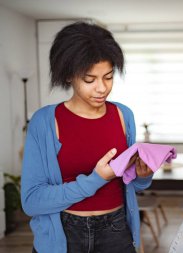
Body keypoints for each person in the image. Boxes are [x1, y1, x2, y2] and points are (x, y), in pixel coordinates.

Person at [21, 21, 153, 253]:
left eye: (109, 77)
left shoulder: (124, 115)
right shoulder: (45, 122)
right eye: (90, 80)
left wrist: (143, 176)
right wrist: (96, 179)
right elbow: (32, 201)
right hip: (64, 233)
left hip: (116, 230)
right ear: (69, 75)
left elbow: (130, 182)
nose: (101, 88)